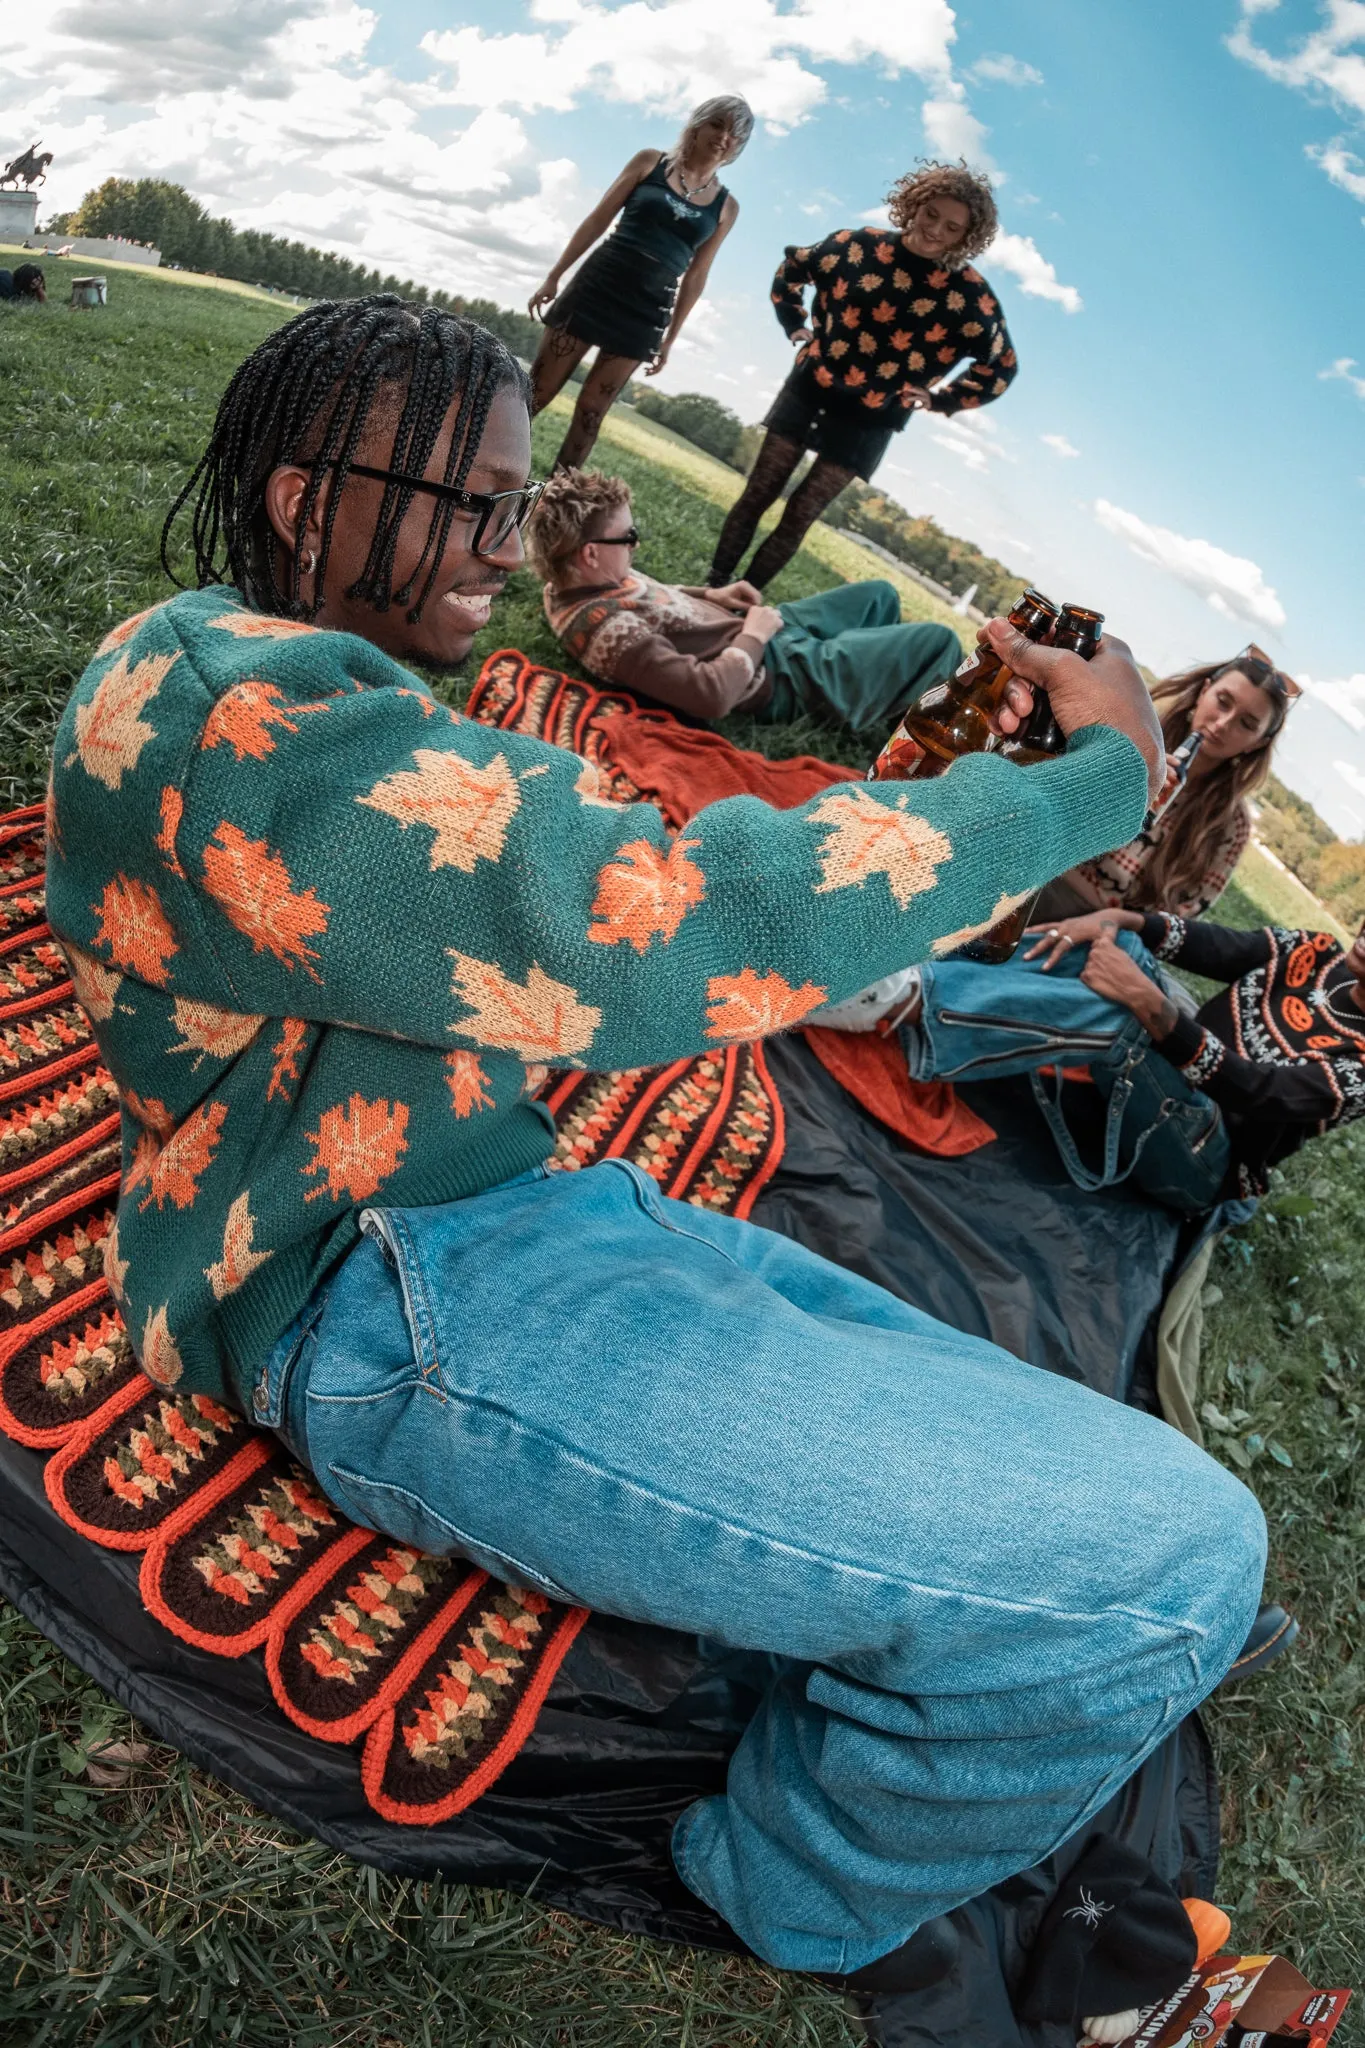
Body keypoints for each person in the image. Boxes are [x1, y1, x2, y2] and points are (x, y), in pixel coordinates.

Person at [47, 294, 1266, 1993]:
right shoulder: (240, 723)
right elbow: (639, 920)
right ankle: (795, 1883)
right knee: (1178, 1561)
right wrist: (1091, 785)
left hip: (499, 1205)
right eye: (466, 500)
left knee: (1083, 1486)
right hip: (383, 1292)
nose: (501, 539)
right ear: (305, 501)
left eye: (512, 494)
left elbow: (524, 872)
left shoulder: (252, 677)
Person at [883, 905, 1365, 1212]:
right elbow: (1213, 946)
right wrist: (1117, 920)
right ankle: (918, 966)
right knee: (1123, 948)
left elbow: (1255, 1090)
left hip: (1201, 1159)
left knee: (1131, 1022)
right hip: (1168, 1083)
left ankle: (898, 1003)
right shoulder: (1316, 953)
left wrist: (1151, 1005)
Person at [708, 160, 1016, 592]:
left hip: (871, 419)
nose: (935, 231)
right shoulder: (856, 246)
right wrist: (794, 322)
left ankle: (737, 602)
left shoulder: (971, 298)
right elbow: (793, 270)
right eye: (932, 214)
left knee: (800, 514)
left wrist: (940, 399)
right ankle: (713, 583)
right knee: (758, 493)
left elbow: (1001, 366)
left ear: (966, 237)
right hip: (809, 391)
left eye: (952, 228)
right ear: (915, 203)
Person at [529, 466, 959, 730]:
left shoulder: (575, 578)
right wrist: (754, 636)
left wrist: (712, 594)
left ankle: (871, 689)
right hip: (780, 672)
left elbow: (653, 596)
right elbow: (709, 696)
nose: (635, 545)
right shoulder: (609, 632)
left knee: (879, 596)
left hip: (764, 630)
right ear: (591, 553)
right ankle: (901, 730)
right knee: (938, 642)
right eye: (629, 537)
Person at [527, 96, 750, 472]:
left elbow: (697, 276)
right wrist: (555, 275)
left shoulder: (727, 208)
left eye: (734, 133)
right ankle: (480, 472)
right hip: (597, 286)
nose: (724, 137)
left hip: (646, 312)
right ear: (698, 125)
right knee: (536, 393)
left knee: (591, 413)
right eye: (718, 125)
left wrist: (671, 337)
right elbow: (598, 220)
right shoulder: (650, 162)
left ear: (738, 146)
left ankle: (552, 509)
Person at [1036, 646, 1299, 925]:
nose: (1223, 724)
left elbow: (1175, 922)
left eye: (1246, 724)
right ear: (1203, 692)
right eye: (1223, 701)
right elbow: (1043, 808)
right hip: (1043, 877)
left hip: (1101, 931)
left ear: (1257, 743)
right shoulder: (1129, 732)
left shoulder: (1230, 823)